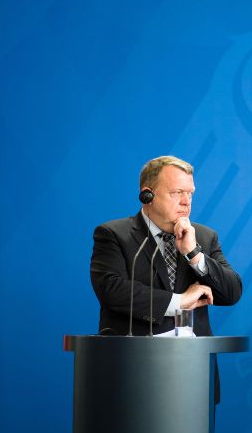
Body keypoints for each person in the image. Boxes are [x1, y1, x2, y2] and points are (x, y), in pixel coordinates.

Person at [90, 155, 242, 400]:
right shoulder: (113, 235)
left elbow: (232, 292)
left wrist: (194, 255)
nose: (186, 202)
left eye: (190, 193)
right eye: (177, 192)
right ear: (147, 195)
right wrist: (180, 302)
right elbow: (112, 289)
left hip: (194, 376)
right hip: (133, 373)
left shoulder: (203, 237)